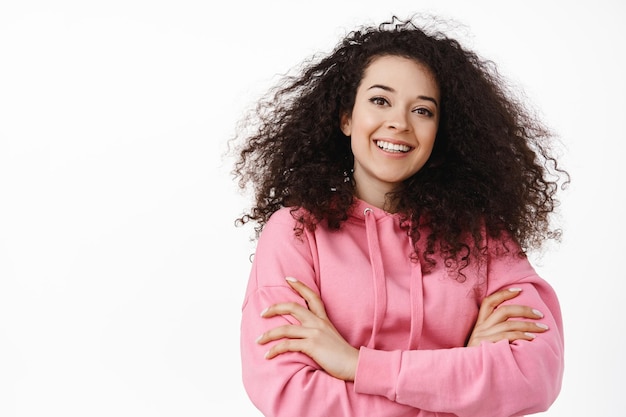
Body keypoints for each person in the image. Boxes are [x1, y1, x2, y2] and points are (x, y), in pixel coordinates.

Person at [231, 14, 568, 417]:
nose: (399, 123)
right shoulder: (296, 232)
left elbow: (536, 376)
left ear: (441, 131)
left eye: (423, 111)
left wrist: (356, 364)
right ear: (346, 118)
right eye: (379, 100)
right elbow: (289, 395)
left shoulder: (482, 237)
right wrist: (461, 378)